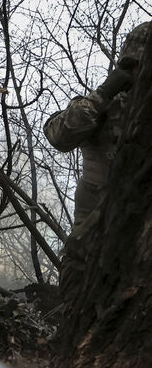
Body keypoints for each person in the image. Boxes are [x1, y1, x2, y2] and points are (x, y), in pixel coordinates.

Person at [44, 21, 150, 303]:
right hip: (89, 247)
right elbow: (58, 135)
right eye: (132, 65)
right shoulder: (106, 105)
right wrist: (105, 92)